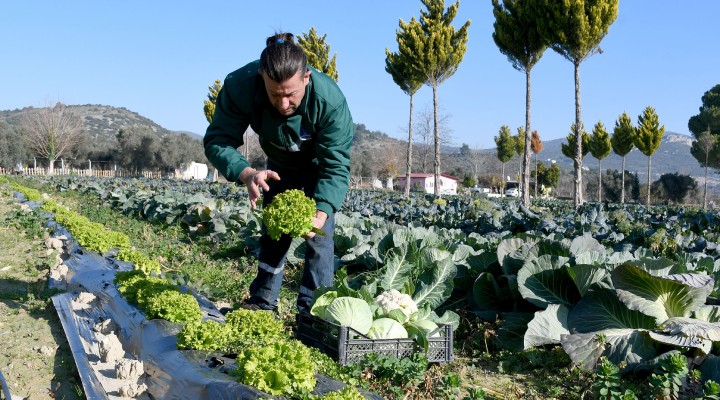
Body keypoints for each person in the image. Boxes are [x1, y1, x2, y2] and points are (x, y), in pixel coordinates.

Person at [203, 32, 354, 313]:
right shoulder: (240, 86)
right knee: (274, 234)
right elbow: (217, 141)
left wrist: (321, 212)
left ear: (306, 78)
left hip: (319, 167)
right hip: (279, 167)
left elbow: (335, 164)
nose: (283, 104)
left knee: (320, 239)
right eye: (275, 94)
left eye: (291, 95)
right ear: (262, 78)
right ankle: (262, 302)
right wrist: (246, 172)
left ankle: (314, 312)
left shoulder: (329, 101)